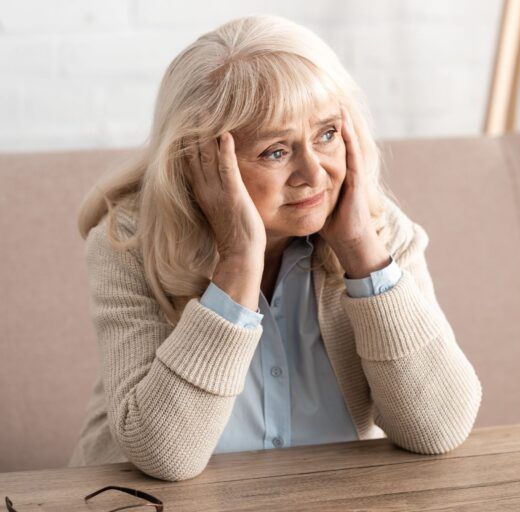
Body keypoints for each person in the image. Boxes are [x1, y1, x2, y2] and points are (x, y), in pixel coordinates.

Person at [68, 13, 482, 482]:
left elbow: (439, 429)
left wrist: (360, 251)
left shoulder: (382, 232)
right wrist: (238, 262)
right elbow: (163, 455)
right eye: (276, 151)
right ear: (199, 162)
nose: (313, 173)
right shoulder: (128, 244)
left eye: (326, 134)